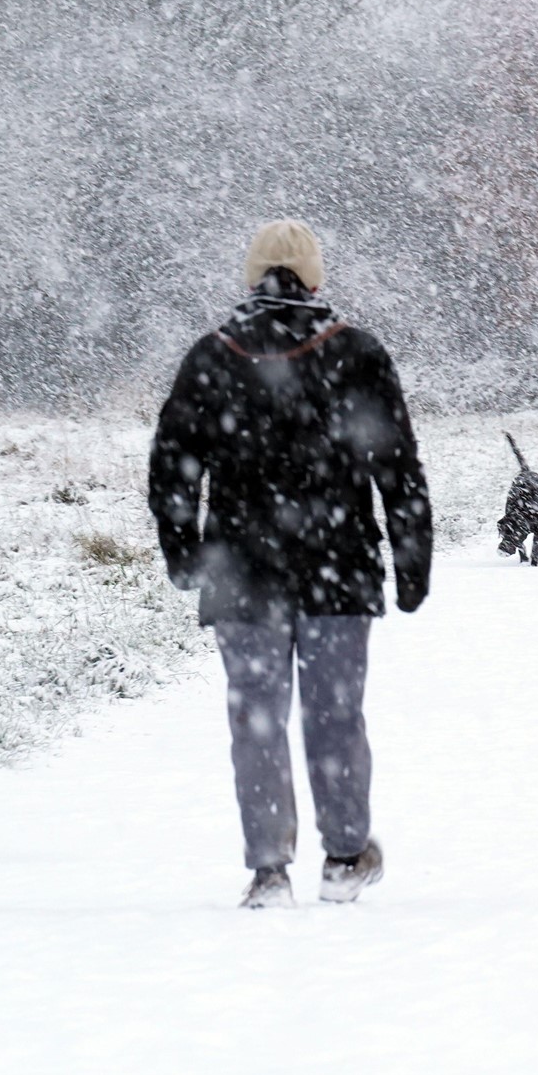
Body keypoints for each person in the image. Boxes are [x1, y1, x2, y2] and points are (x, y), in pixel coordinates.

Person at [148, 220, 431, 909]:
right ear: (314, 277)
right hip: (339, 566)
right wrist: (410, 558)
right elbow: (397, 465)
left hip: (242, 572)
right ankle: (345, 856)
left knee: (257, 721)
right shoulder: (355, 353)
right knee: (335, 716)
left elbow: (173, 464)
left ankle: (269, 870)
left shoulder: (214, 355)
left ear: (253, 278)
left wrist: (184, 552)